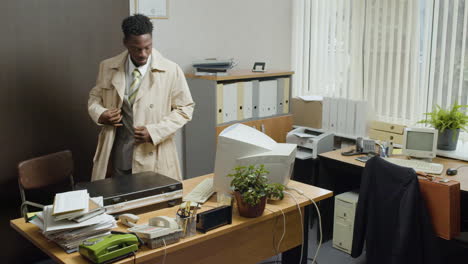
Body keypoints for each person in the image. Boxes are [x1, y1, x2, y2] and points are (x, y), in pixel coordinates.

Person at [88, 14, 194, 181]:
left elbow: (185, 108)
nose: (143, 53)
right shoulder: (108, 67)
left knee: (154, 204)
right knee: (119, 203)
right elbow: (95, 97)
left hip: (154, 156)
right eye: (137, 49)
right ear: (126, 44)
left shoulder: (171, 70)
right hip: (119, 156)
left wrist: (155, 131)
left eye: (148, 47)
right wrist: (100, 113)